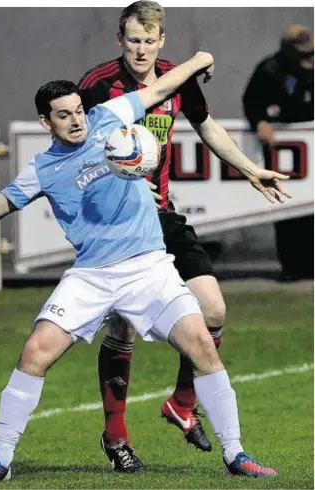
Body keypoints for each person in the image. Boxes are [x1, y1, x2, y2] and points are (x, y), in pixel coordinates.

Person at [0, 52, 286, 483]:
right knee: (35, 353)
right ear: (44, 122)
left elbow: (162, 88)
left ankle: (236, 454)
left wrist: (198, 58)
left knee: (202, 343)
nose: (76, 121)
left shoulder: (109, 116)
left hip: (149, 267)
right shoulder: (42, 169)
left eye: (77, 111)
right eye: (63, 115)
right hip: (91, 277)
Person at [78, 1, 291, 471]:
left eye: (148, 41)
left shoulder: (176, 79)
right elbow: (76, 148)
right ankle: (115, 440)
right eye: (132, 40)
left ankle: (182, 401)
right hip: (115, 225)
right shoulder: (96, 86)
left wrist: (251, 169)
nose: (140, 49)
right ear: (120, 40)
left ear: (161, 42)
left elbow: (206, 125)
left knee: (213, 309)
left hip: (163, 217)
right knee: (121, 325)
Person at [243, 24, 314, 282]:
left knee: (310, 212)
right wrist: (260, 121)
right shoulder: (269, 70)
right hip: (283, 154)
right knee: (286, 210)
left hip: (309, 153)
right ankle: (292, 266)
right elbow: (252, 101)